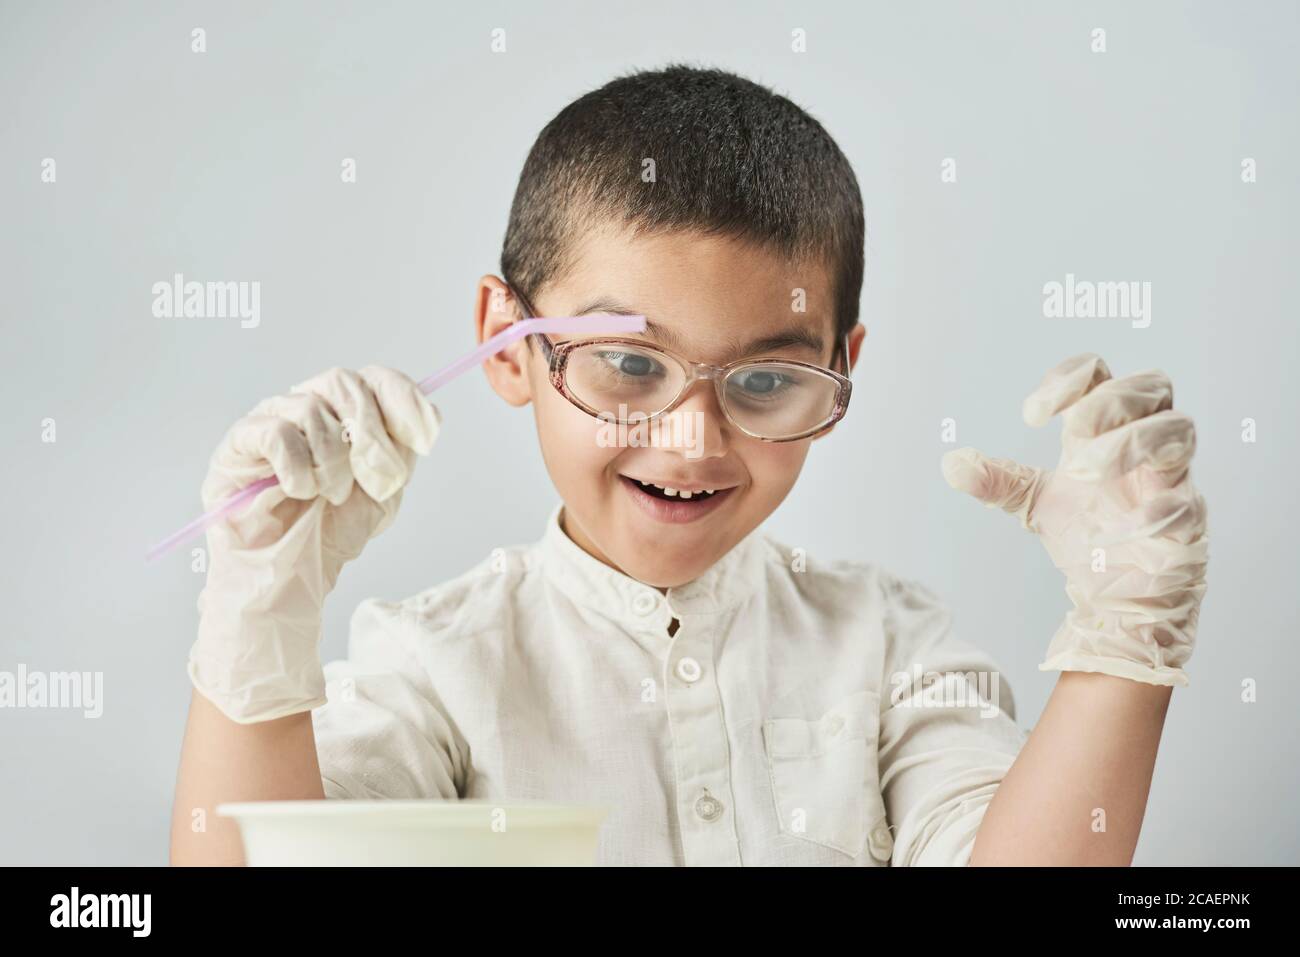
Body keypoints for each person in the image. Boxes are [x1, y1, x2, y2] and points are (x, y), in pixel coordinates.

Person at [169, 65, 1207, 866]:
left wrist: (1124, 640)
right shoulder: (434, 669)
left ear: (842, 368)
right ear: (507, 340)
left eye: (764, 381)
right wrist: (257, 633)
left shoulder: (887, 645)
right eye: (629, 364)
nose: (694, 442)